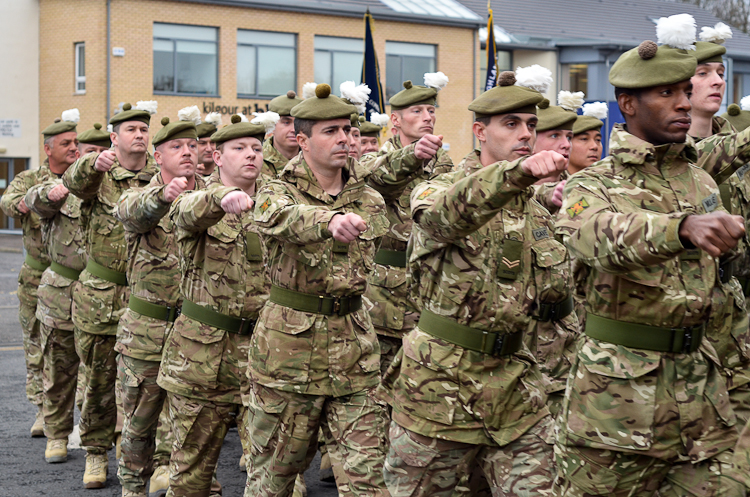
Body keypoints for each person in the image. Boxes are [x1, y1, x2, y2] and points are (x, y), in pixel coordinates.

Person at [554, 16, 745, 495]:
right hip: (616, 412)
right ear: (627, 104)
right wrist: (680, 228)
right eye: (666, 93)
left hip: (703, 404)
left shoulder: (699, 179)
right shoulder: (591, 183)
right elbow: (599, 237)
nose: (683, 102)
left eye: (686, 89)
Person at [380, 70, 567, 497]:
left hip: (516, 392)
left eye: (532, 125)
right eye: (512, 124)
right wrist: (514, 176)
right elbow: (441, 218)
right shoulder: (438, 185)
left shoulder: (535, 207)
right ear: (480, 132)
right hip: (440, 389)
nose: (526, 133)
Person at [246, 83, 390, 497]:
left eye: (347, 129)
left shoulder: (371, 200)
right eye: (331, 131)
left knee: (368, 480)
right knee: (271, 478)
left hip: (354, 352)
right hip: (289, 353)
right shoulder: (276, 189)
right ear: (303, 140)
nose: (344, 138)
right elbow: (279, 216)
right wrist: (326, 222)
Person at [157, 115, 269, 497]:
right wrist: (220, 198)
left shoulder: (276, 203)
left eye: (256, 148)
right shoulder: (194, 197)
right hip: (202, 357)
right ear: (217, 157)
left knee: (273, 471)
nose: (250, 155)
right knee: (191, 472)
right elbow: (186, 213)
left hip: (265, 355)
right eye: (239, 149)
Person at [63, 101, 160, 489]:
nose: (139, 135)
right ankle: (95, 453)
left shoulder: (159, 177)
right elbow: (74, 183)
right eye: (131, 130)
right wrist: (92, 164)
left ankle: (154, 459)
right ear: (114, 138)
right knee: (100, 381)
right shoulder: (98, 177)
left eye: (143, 129)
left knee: (151, 384)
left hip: (150, 297)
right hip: (102, 296)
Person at [114, 108, 202, 497]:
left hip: (197, 334)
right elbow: (136, 213)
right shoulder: (137, 196)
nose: (187, 152)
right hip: (147, 332)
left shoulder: (210, 198)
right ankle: (132, 488)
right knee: (139, 423)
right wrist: (164, 197)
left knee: (194, 423)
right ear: (158, 156)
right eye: (176, 146)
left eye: (193, 145)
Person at [360, 72, 454, 375]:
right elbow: (382, 180)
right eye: (417, 111)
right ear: (395, 121)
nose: (427, 117)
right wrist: (413, 156)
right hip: (386, 295)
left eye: (431, 110)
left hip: (430, 287)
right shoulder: (377, 160)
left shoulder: (445, 164)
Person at [1, 111, 76, 437]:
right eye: (66, 143)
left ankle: (79, 415)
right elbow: (8, 202)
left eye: (76, 142)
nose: (74, 148)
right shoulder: (31, 178)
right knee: (37, 344)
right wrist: (32, 202)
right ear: (48, 149)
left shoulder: (82, 178)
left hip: (74, 278)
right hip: (38, 274)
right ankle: (44, 410)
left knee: (75, 349)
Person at [262, 90, 303, 178]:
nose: (293, 129)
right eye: (286, 123)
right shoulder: (256, 160)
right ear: (272, 126)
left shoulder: (314, 160)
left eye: (297, 124)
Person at [568, 102, 607, 176]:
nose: (594, 146)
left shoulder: (611, 183)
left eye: (598, 140)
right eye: (584, 139)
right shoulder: (549, 182)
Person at [195, 112, 222, 176]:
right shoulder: (183, 176)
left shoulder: (226, 174)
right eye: (203, 143)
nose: (209, 149)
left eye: (212, 143)